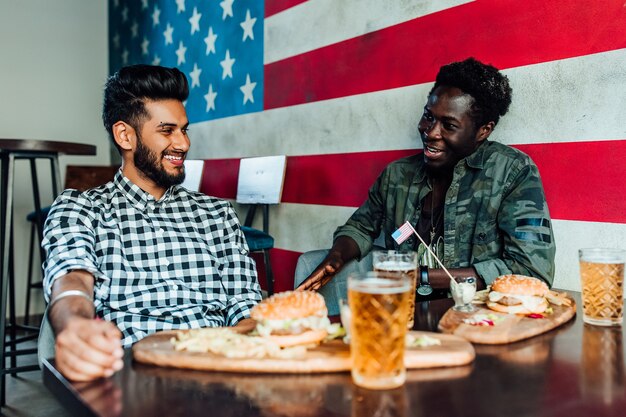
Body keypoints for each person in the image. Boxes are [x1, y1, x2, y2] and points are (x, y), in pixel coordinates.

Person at [42, 65, 261, 381]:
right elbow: (71, 282)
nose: (182, 144)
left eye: (184, 130)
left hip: (218, 376)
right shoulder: (81, 208)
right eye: (167, 130)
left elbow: (246, 307)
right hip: (129, 378)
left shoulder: (218, 215)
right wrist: (75, 325)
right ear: (125, 135)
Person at [297, 57, 555, 299]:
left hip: (475, 321)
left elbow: (531, 272)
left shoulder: (512, 172)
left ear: (483, 130)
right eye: (428, 116)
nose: (430, 132)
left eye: (449, 125)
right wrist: (335, 259)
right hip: (404, 314)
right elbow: (360, 227)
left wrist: (420, 277)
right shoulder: (397, 175)